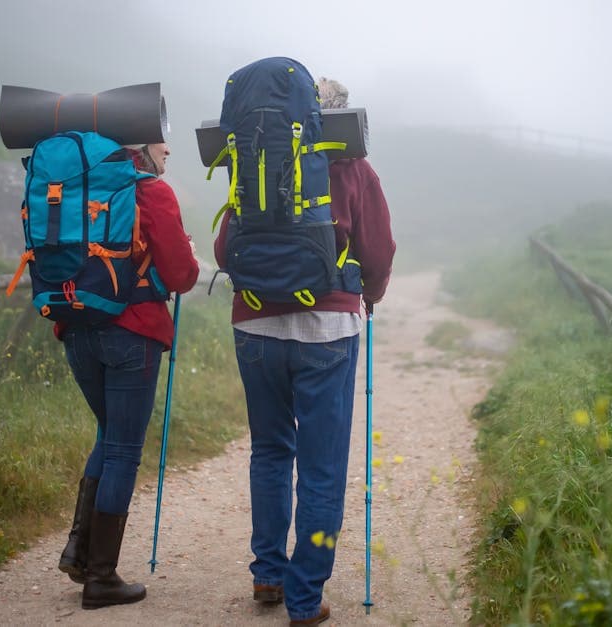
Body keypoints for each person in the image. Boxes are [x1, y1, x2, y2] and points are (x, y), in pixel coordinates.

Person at [213, 76, 395, 626]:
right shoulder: (354, 167)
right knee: (322, 466)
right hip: (329, 331)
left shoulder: (255, 159)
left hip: (256, 327)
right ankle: (305, 597)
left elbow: (224, 249)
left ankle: (268, 574)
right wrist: (369, 295)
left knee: (270, 451)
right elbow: (378, 250)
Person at [55, 141, 199, 610]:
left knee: (108, 434)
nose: (167, 148)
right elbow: (181, 276)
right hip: (132, 332)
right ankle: (101, 578)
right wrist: (189, 256)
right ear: (140, 145)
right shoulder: (151, 191)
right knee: (121, 448)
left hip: (75, 328)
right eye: (160, 139)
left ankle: (79, 552)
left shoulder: (73, 186)